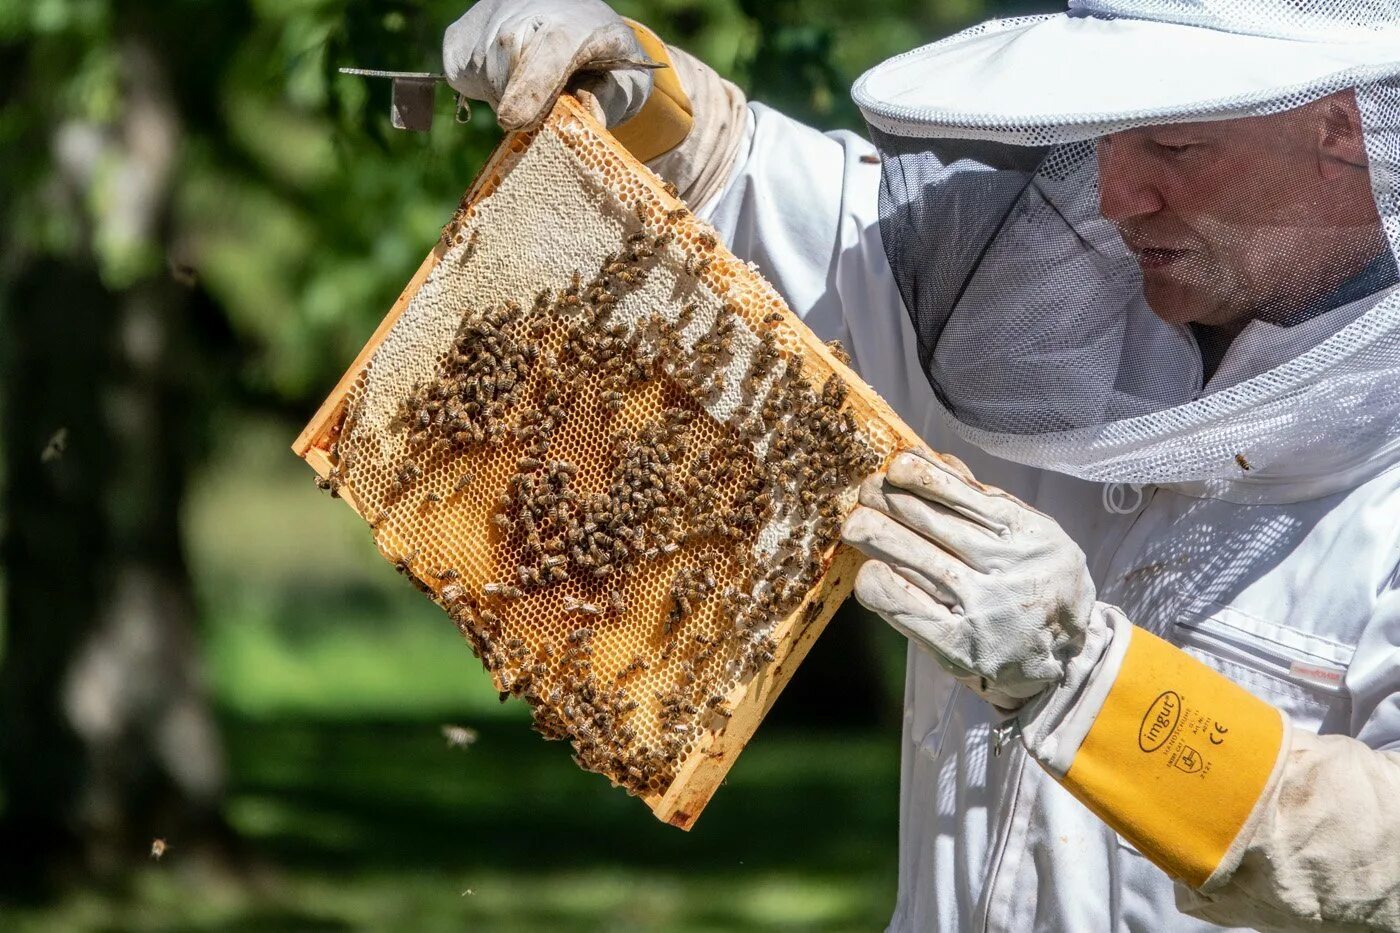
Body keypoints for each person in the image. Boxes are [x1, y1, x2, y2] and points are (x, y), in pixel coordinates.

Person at [442, 1, 1400, 929]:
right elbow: (772, 189)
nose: (1117, 198)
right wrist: (637, 92)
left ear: (1342, 128)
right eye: (1110, 135)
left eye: (1174, 148)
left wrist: (1088, 685)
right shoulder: (1020, 300)